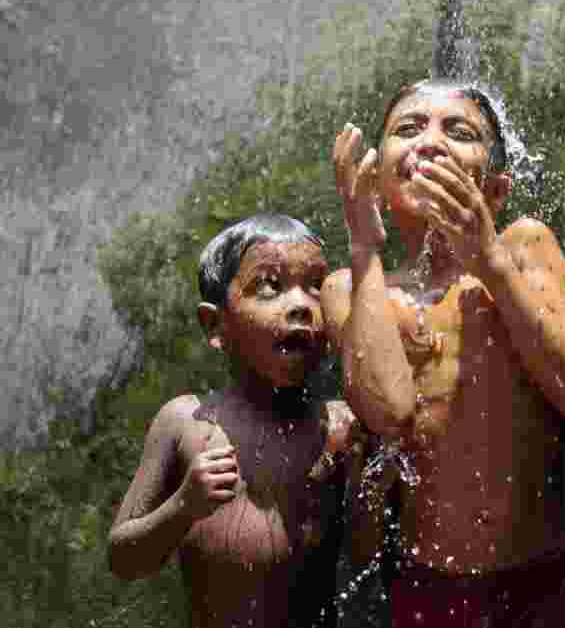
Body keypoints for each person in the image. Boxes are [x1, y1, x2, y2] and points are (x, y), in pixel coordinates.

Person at [322, 79, 565, 627]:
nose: (429, 142)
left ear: (495, 189)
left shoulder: (522, 250)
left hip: (535, 584)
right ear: (375, 184)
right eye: (409, 128)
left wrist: (490, 261)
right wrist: (363, 247)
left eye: (459, 132)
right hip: (425, 585)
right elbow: (389, 411)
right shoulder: (351, 287)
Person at [108, 213, 412, 628]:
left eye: (316, 287)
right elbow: (123, 560)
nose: (302, 306)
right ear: (215, 324)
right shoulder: (186, 422)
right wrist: (183, 505)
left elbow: (366, 562)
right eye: (270, 286)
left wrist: (366, 485)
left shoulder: (341, 427)